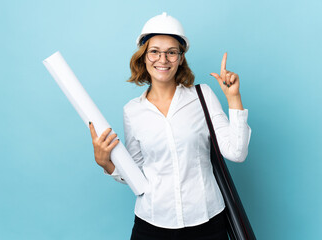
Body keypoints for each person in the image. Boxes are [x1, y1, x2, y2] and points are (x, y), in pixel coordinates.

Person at [88, 12, 251, 240]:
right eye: (154, 51)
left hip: (206, 221)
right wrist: (106, 164)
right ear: (144, 57)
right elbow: (136, 174)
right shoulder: (132, 111)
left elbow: (236, 152)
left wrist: (234, 98)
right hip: (152, 223)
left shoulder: (202, 96)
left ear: (181, 58)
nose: (162, 60)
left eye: (171, 52)